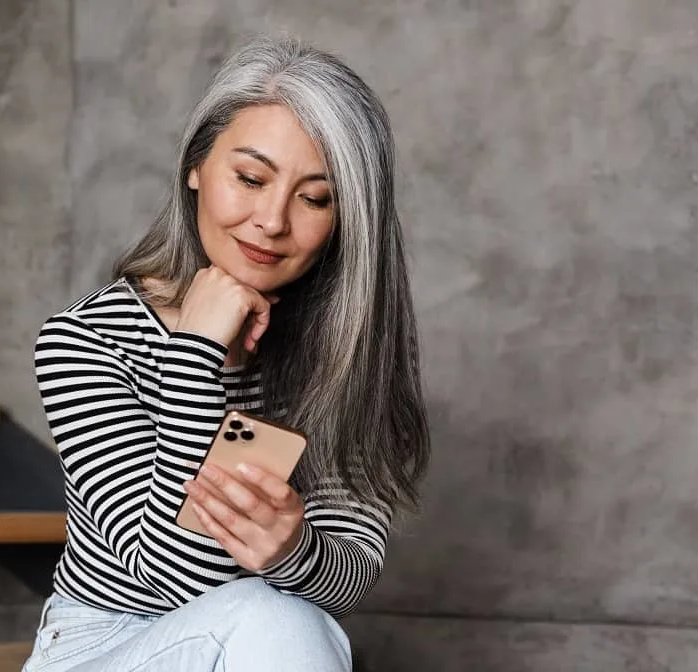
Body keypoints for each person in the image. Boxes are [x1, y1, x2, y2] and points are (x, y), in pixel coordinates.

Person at [22, 34, 430, 672]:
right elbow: (166, 576)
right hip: (102, 647)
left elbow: (348, 579)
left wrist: (292, 549)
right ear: (196, 167)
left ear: (347, 219)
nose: (272, 220)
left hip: (265, 645)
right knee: (273, 615)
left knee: (287, 617)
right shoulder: (86, 340)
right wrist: (197, 352)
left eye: (315, 197)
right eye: (250, 178)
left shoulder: (343, 356)